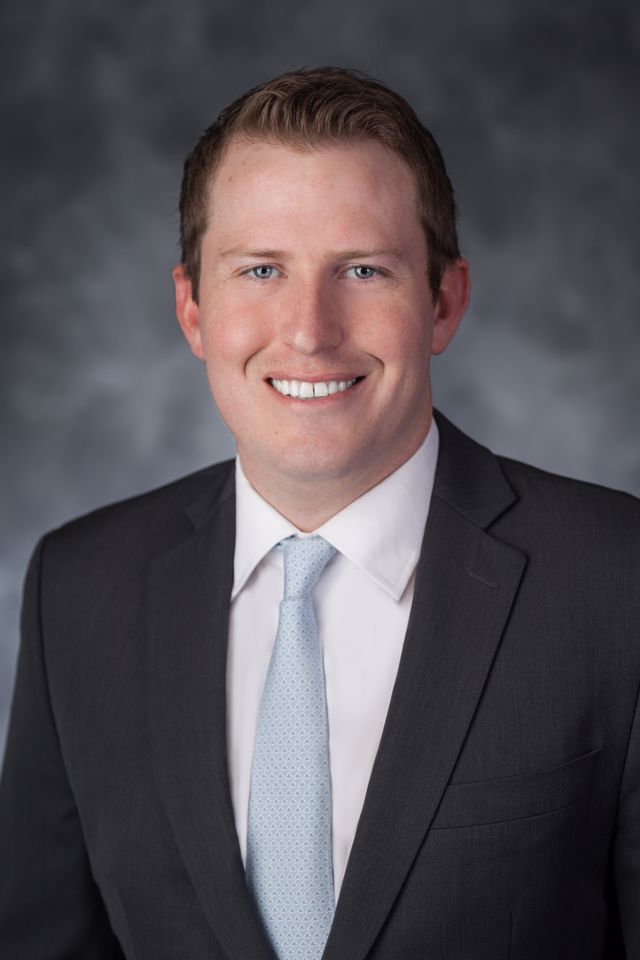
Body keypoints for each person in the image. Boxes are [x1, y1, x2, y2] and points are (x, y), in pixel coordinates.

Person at [0, 66, 638, 960]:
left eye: (363, 270)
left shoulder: (617, 581)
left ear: (443, 302)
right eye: (261, 270)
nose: (309, 330)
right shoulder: (77, 591)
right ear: (193, 309)